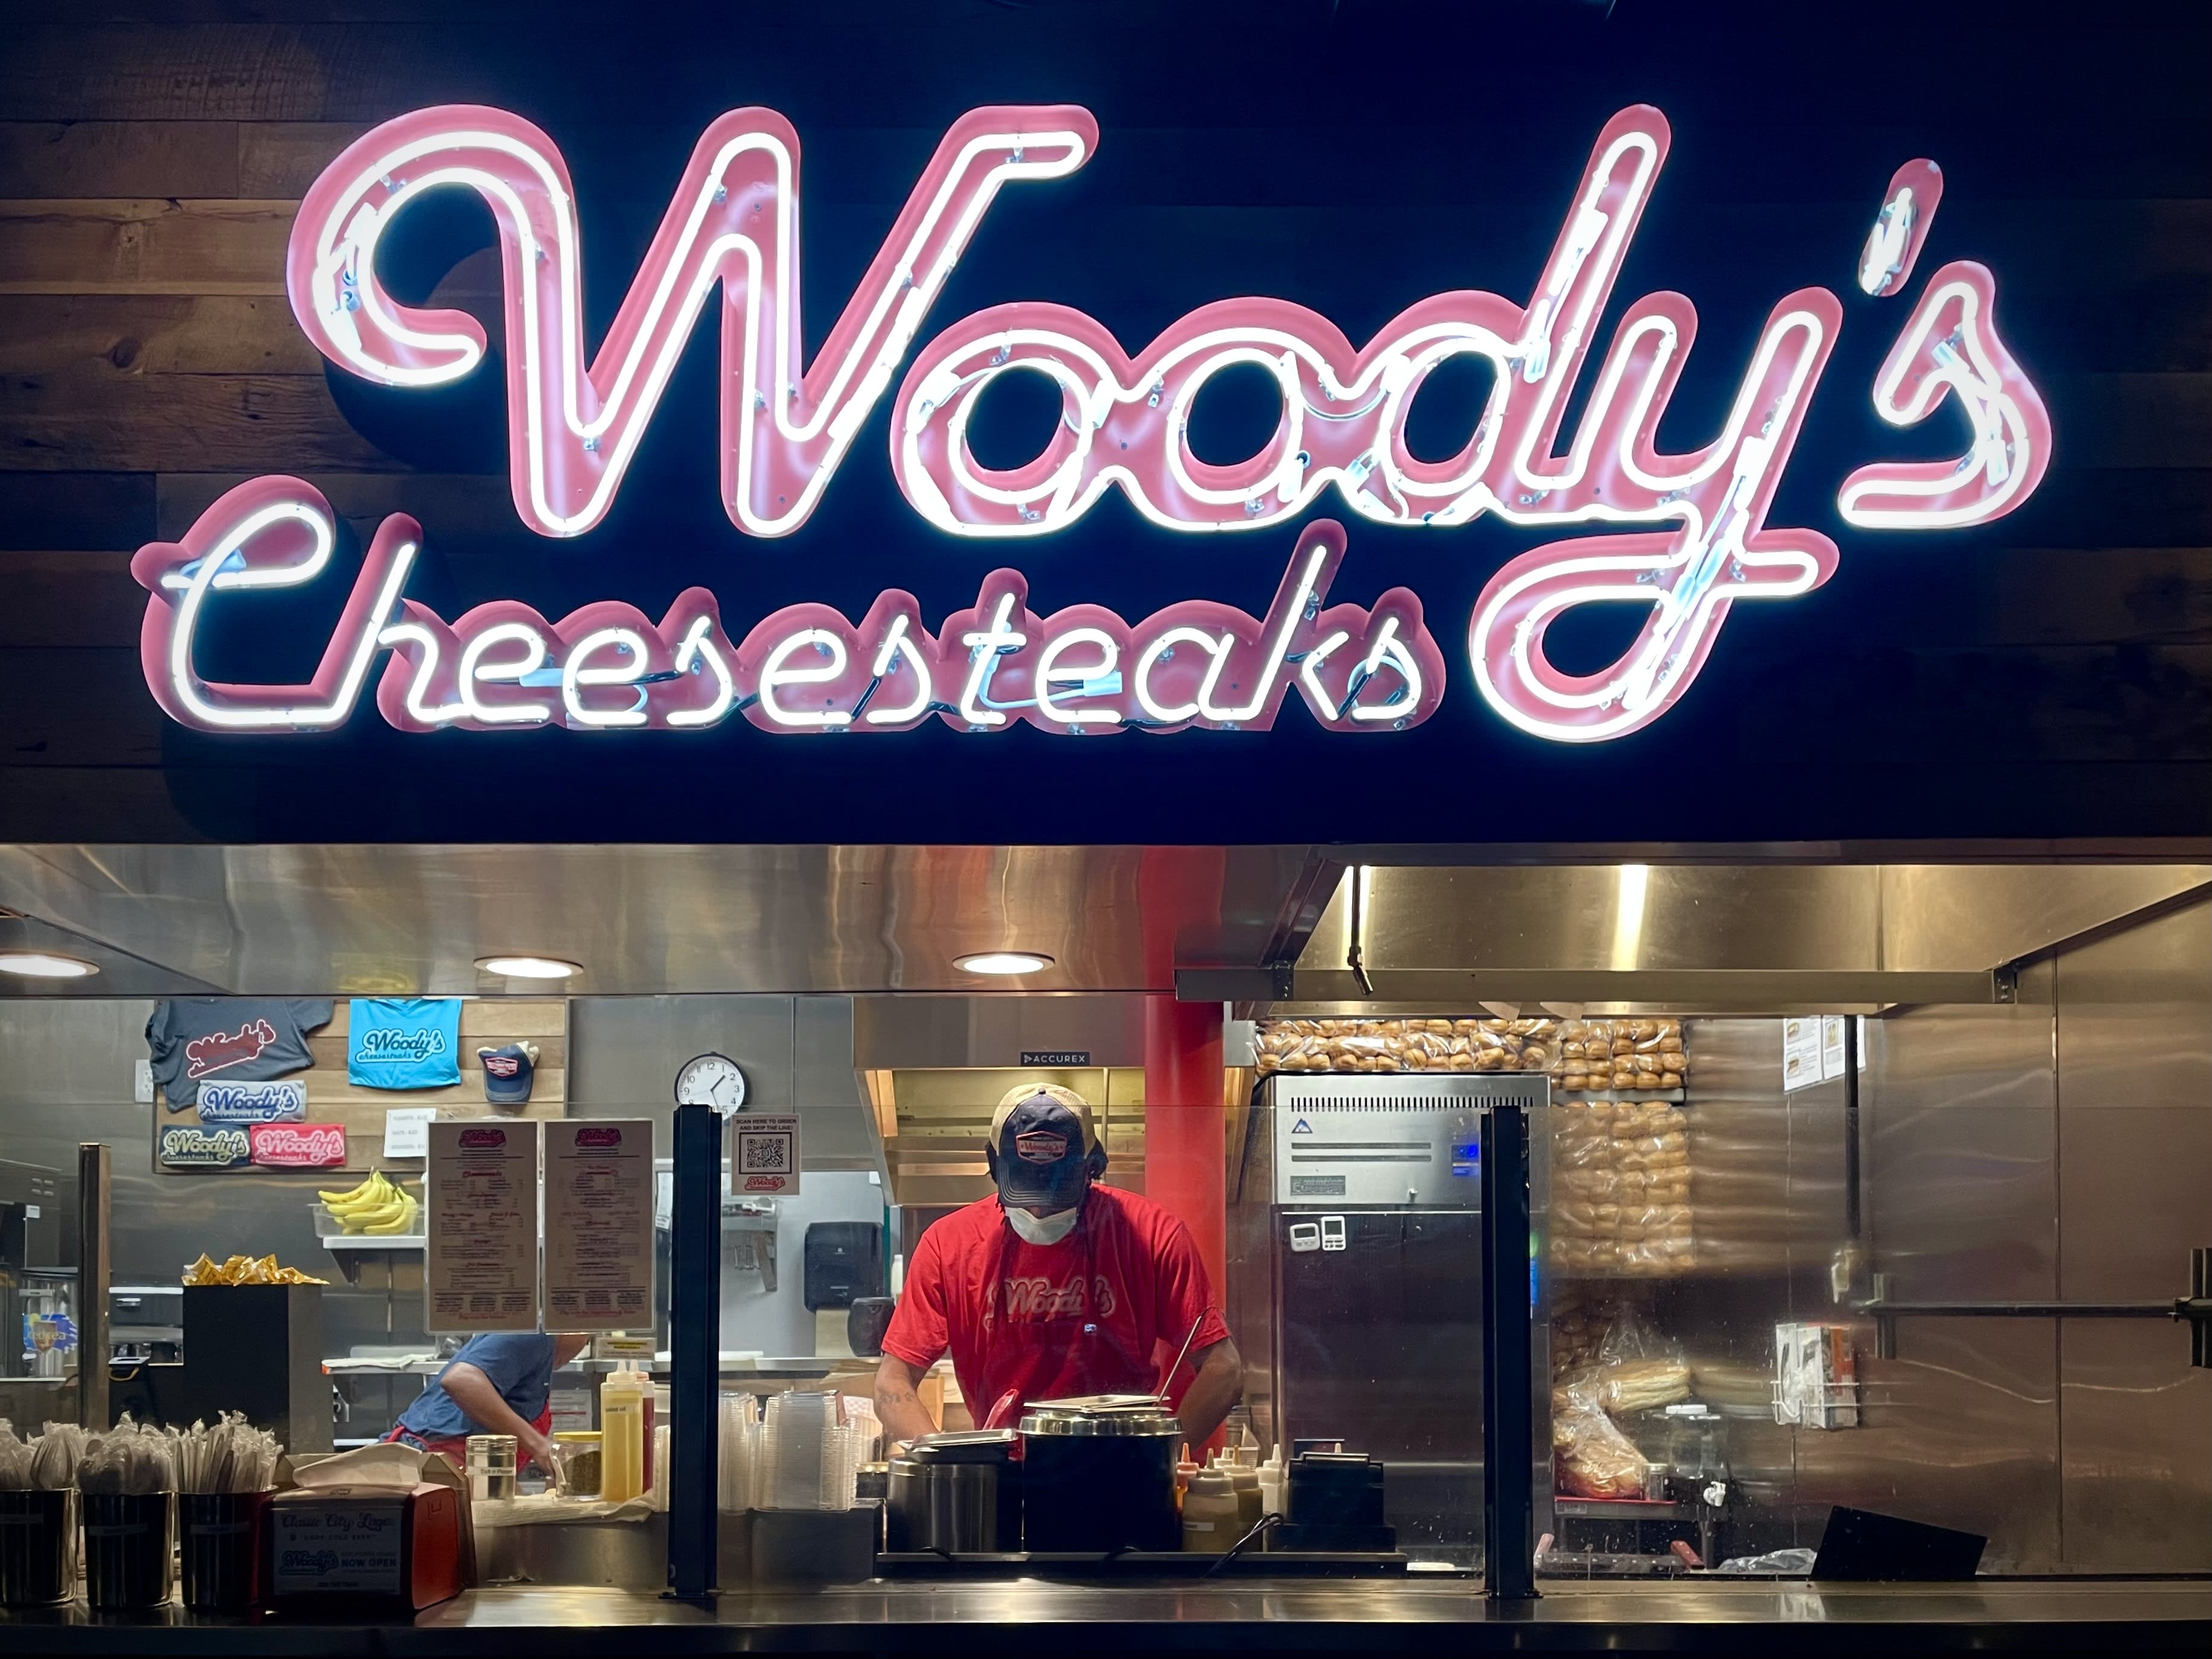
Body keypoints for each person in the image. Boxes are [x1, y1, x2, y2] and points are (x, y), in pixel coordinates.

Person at [873, 1084, 1242, 1447]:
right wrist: (945, 1461)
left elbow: (1223, 1370)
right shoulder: (948, 1245)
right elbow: (893, 1381)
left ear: (1093, 1167)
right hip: (1004, 1471)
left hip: (1122, 1468)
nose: (1038, 1210)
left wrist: (1162, 1459)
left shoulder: (1152, 1234)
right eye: (1025, 1190)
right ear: (993, 1165)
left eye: (1057, 1192)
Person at [385, 1331, 591, 1474]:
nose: (584, 1344)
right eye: (588, 1338)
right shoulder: (536, 1335)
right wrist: (540, 1447)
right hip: (432, 1466)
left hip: (459, 1470)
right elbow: (460, 1380)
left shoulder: (541, 1355)